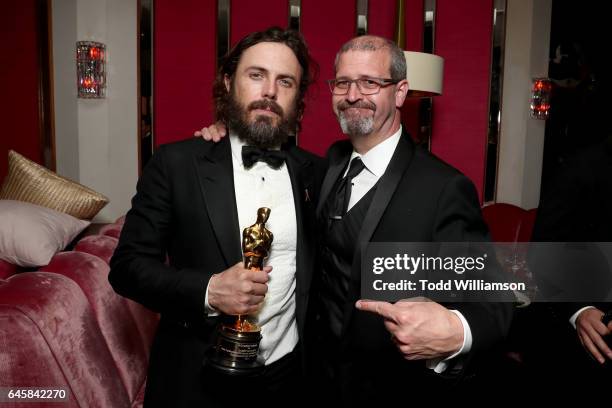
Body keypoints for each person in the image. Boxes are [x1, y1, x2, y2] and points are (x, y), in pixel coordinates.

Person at [197, 35, 513, 405]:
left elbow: (497, 299)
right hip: (310, 382)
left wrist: (456, 331)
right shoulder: (326, 165)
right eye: (343, 83)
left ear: (399, 92)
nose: (352, 94)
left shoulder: (443, 187)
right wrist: (223, 138)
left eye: (370, 83)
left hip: (387, 388)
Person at [109, 27, 326, 408]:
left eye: (285, 81)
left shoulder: (317, 173)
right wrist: (209, 290)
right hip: (196, 378)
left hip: (290, 376)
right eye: (256, 75)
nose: (270, 91)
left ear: (298, 98)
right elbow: (126, 268)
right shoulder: (176, 164)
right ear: (229, 83)